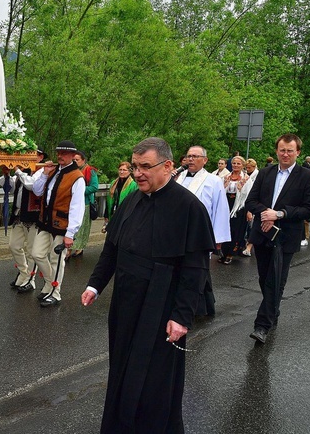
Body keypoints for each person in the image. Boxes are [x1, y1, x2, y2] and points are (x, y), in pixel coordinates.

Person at [81, 137, 215, 433]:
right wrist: (95, 285)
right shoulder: (132, 199)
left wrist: (181, 316)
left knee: (154, 376)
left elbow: (195, 270)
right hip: (126, 301)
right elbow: (111, 249)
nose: (137, 173)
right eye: (135, 166)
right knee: (122, 367)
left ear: (167, 166)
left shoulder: (189, 207)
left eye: (145, 167)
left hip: (161, 302)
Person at [245, 133, 310, 344]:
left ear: (298, 152)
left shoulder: (308, 177)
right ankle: (273, 310)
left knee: (275, 279)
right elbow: (251, 201)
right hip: (263, 232)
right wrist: (267, 213)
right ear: (277, 151)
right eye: (282, 150)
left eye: (290, 150)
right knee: (263, 277)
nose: (285, 154)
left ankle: (262, 325)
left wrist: (280, 214)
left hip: (286, 236)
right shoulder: (265, 173)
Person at [176, 145, 231, 315]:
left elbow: (220, 209)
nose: (190, 159)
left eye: (195, 156)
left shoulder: (213, 181)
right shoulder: (177, 178)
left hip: (200, 233)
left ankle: (196, 307)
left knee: (196, 270)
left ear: (205, 160)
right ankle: (199, 303)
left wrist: (218, 238)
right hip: (178, 232)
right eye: (189, 156)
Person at [31, 140, 85, 307]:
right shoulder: (53, 171)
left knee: (57, 259)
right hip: (46, 222)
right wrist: (44, 174)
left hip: (62, 224)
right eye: (59, 152)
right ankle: (49, 283)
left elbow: (77, 207)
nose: (60, 156)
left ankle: (55, 292)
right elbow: (37, 191)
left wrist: (70, 234)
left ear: (72, 156)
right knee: (37, 254)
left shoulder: (77, 177)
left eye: (65, 153)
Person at [0, 150, 46, 293]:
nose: (28, 158)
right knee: (14, 245)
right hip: (19, 214)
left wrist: (17, 170)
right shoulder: (24, 170)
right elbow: (11, 187)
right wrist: (7, 174)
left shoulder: (42, 171)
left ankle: (31, 280)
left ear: (40, 157)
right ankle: (23, 272)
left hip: (33, 216)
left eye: (33, 155)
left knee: (32, 250)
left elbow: (32, 185)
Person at [219, 156, 250, 265]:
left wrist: (249, 211)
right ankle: (223, 252)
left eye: (238, 164)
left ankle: (231, 254)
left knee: (235, 230)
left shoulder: (246, 178)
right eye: (234, 163)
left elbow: (248, 196)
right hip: (227, 203)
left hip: (239, 207)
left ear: (242, 165)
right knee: (225, 228)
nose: (236, 165)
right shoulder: (226, 177)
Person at [69, 151, 98, 259]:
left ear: (83, 160)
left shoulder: (90, 171)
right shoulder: (72, 171)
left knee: (82, 227)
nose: (75, 162)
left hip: (85, 203)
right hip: (72, 202)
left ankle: (79, 248)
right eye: (73, 160)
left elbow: (94, 187)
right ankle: (70, 247)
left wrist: (80, 190)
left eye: (77, 160)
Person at [103, 161, 138, 232]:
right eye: (120, 170)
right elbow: (109, 198)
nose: (121, 172)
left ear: (129, 171)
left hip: (124, 214)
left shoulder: (133, 185)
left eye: (124, 170)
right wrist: (106, 215)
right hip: (113, 213)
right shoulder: (114, 183)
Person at [241, 159, 260, 256]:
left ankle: (249, 247)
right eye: (246, 167)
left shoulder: (258, 175)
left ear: (254, 167)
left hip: (255, 204)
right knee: (247, 226)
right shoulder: (245, 176)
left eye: (249, 167)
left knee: (252, 226)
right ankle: (245, 245)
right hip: (246, 202)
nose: (247, 169)